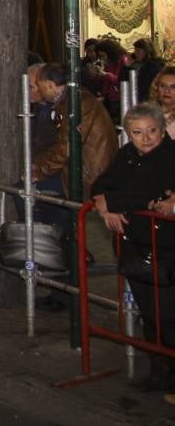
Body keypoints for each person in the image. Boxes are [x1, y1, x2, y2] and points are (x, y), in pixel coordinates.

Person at [91, 103, 175, 392]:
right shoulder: (127, 155)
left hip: (165, 246)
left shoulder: (169, 157)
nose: (146, 137)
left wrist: (109, 203)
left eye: (152, 131)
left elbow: (149, 196)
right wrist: (103, 201)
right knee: (149, 312)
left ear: (162, 130)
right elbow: (102, 183)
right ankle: (160, 372)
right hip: (135, 244)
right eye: (137, 132)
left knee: (167, 313)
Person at [31, 62, 119, 200]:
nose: (37, 90)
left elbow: (67, 147)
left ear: (50, 85)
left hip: (88, 175)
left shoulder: (77, 104)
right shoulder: (71, 100)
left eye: (38, 85)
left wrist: (39, 169)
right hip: (81, 169)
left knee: (25, 192)